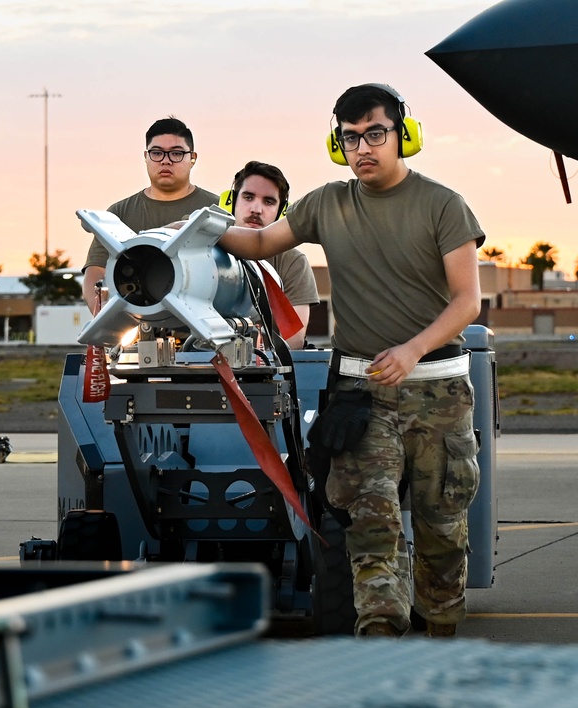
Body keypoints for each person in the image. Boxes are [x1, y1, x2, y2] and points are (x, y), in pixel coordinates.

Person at [216, 84, 484, 638]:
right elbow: (261, 244)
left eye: (375, 134)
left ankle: (441, 641)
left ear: (403, 136)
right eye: (351, 138)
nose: (364, 147)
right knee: (370, 524)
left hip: (438, 394)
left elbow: (467, 302)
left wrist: (413, 349)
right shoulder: (326, 204)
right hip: (363, 398)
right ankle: (378, 643)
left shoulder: (444, 205)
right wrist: (191, 231)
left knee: (441, 529)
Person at [82, 117, 218, 304]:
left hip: (206, 324)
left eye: (176, 154)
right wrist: (108, 318)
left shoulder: (216, 212)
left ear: (192, 158)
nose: (166, 161)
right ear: (146, 156)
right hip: (139, 324)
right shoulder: (118, 215)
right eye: (157, 153)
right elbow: (96, 273)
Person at [225, 161, 318, 349]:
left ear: (281, 210)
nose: (256, 209)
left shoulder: (293, 262)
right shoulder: (202, 247)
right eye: (248, 197)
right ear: (233, 200)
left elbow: (293, 342)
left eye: (269, 201)